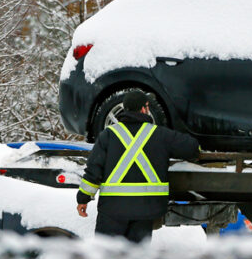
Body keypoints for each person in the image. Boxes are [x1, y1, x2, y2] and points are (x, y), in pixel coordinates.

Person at [76, 91, 200, 243]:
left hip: (112, 210)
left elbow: (94, 170)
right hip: (146, 209)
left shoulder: (108, 135)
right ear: (143, 109)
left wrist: (83, 198)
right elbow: (192, 148)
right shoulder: (160, 135)